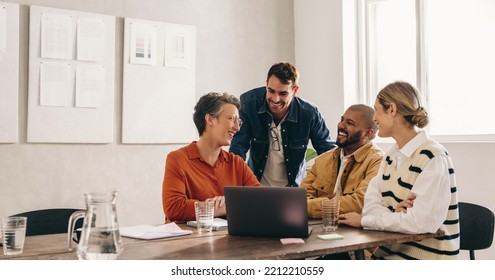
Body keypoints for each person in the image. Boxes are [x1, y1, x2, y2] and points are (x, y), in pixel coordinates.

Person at [339, 81, 460, 260]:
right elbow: (370, 206)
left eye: (377, 110)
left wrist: (365, 221)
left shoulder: (433, 157)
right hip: (388, 256)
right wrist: (396, 213)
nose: (374, 118)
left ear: (392, 110)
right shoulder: (390, 156)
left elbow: (420, 223)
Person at [229, 62, 336, 187]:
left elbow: (328, 154)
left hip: (293, 190)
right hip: (256, 187)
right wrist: (235, 188)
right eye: (271, 91)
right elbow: (238, 149)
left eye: (283, 94)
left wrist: (326, 187)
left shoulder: (309, 113)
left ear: (295, 91)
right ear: (266, 84)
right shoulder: (249, 104)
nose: (275, 99)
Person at [162, 92, 261, 223]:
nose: (237, 128)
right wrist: (221, 207)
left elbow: (261, 201)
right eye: (231, 119)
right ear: (210, 120)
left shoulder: (237, 163)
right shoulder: (177, 159)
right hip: (188, 241)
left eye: (239, 121)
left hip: (228, 240)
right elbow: (174, 208)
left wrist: (228, 204)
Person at [300, 104, 383, 218]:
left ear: (368, 133)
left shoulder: (377, 161)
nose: (341, 125)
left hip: (359, 232)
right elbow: (299, 200)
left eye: (350, 123)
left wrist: (319, 204)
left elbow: (358, 203)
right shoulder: (323, 160)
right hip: (320, 227)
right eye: (342, 120)